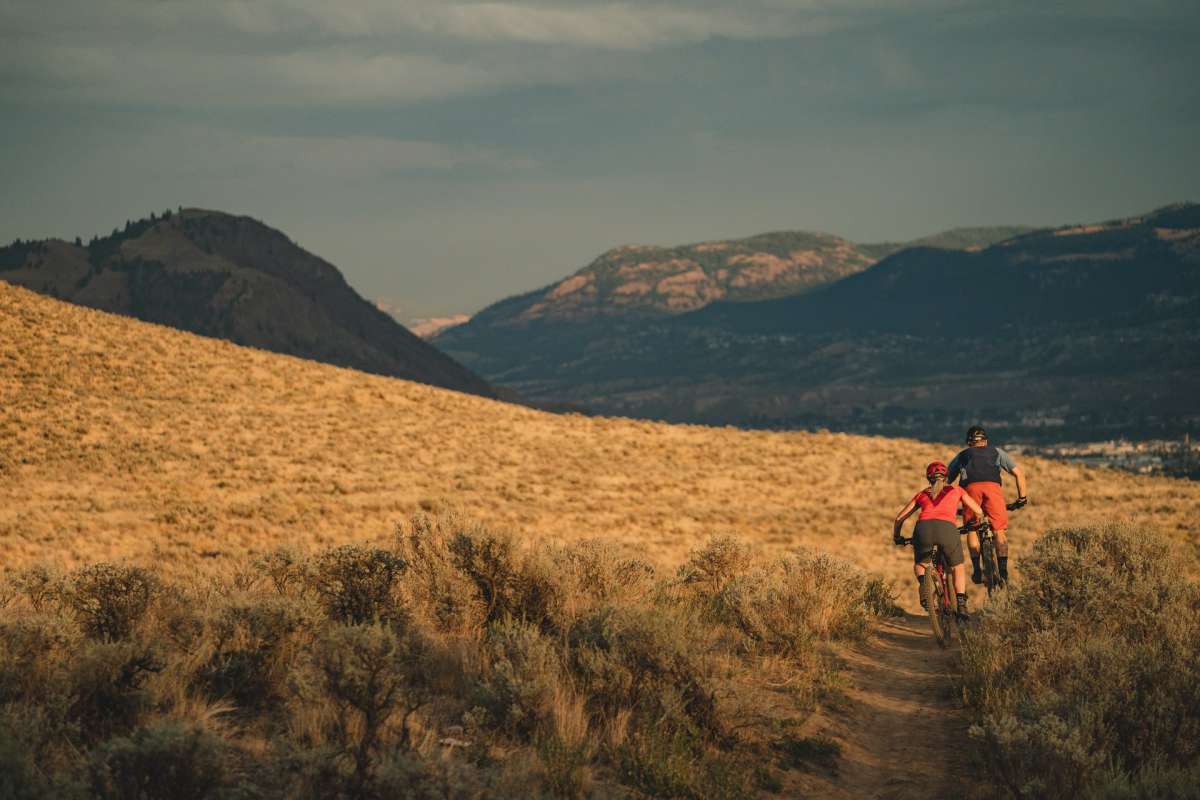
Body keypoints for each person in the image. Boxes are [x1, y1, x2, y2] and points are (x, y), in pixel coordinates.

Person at [892, 461, 984, 620]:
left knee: (921, 564)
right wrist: (974, 523)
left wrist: (897, 537)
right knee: (957, 567)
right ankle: (961, 603)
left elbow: (899, 518)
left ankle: (924, 586)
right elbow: (978, 510)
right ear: (946, 476)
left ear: (929, 478)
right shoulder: (956, 490)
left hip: (923, 530)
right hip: (947, 529)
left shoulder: (921, 494)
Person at [946, 425, 1028, 586]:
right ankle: (1003, 572)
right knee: (999, 530)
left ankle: (977, 570)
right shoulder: (997, 452)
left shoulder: (962, 455)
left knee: (972, 528)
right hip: (993, 489)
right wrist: (1021, 498)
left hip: (970, 490)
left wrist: (947, 505)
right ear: (986, 441)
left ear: (969, 443)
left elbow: (946, 482)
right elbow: (1019, 474)